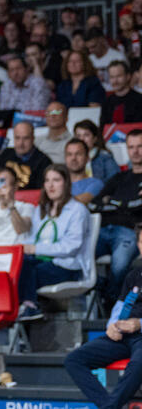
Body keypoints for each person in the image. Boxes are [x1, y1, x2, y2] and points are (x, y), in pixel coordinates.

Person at [64, 223, 142, 409]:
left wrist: (139, 324)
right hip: (124, 334)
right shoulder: (135, 274)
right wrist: (113, 325)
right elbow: (121, 305)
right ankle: (110, 406)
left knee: (140, 362)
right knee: (74, 360)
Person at [18, 165, 92, 320]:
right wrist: (27, 248)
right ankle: (21, 307)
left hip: (68, 265)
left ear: (66, 183)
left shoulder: (78, 210)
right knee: (18, 265)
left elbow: (70, 247)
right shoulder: (41, 209)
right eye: (47, 180)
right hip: (41, 261)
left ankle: (29, 306)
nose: (50, 185)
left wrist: (36, 249)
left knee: (29, 271)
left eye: (56, 180)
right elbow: (32, 239)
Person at [91, 130, 142, 307]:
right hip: (104, 230)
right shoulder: (119, 177)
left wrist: (111, 202)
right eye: (131, 147)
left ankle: (111, 303)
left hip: (131, 232)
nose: (135, 151)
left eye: (140, 146)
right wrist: (128, 203)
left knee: (119, 266)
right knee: (76, 256)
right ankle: (104, 287)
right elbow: (95, 202)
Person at [0, 122, 52, 189]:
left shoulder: (44, 162)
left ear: (33, 139)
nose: (21, 143)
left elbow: (40, 192)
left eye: (26, 138)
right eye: (17, 138)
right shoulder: (6, 153)